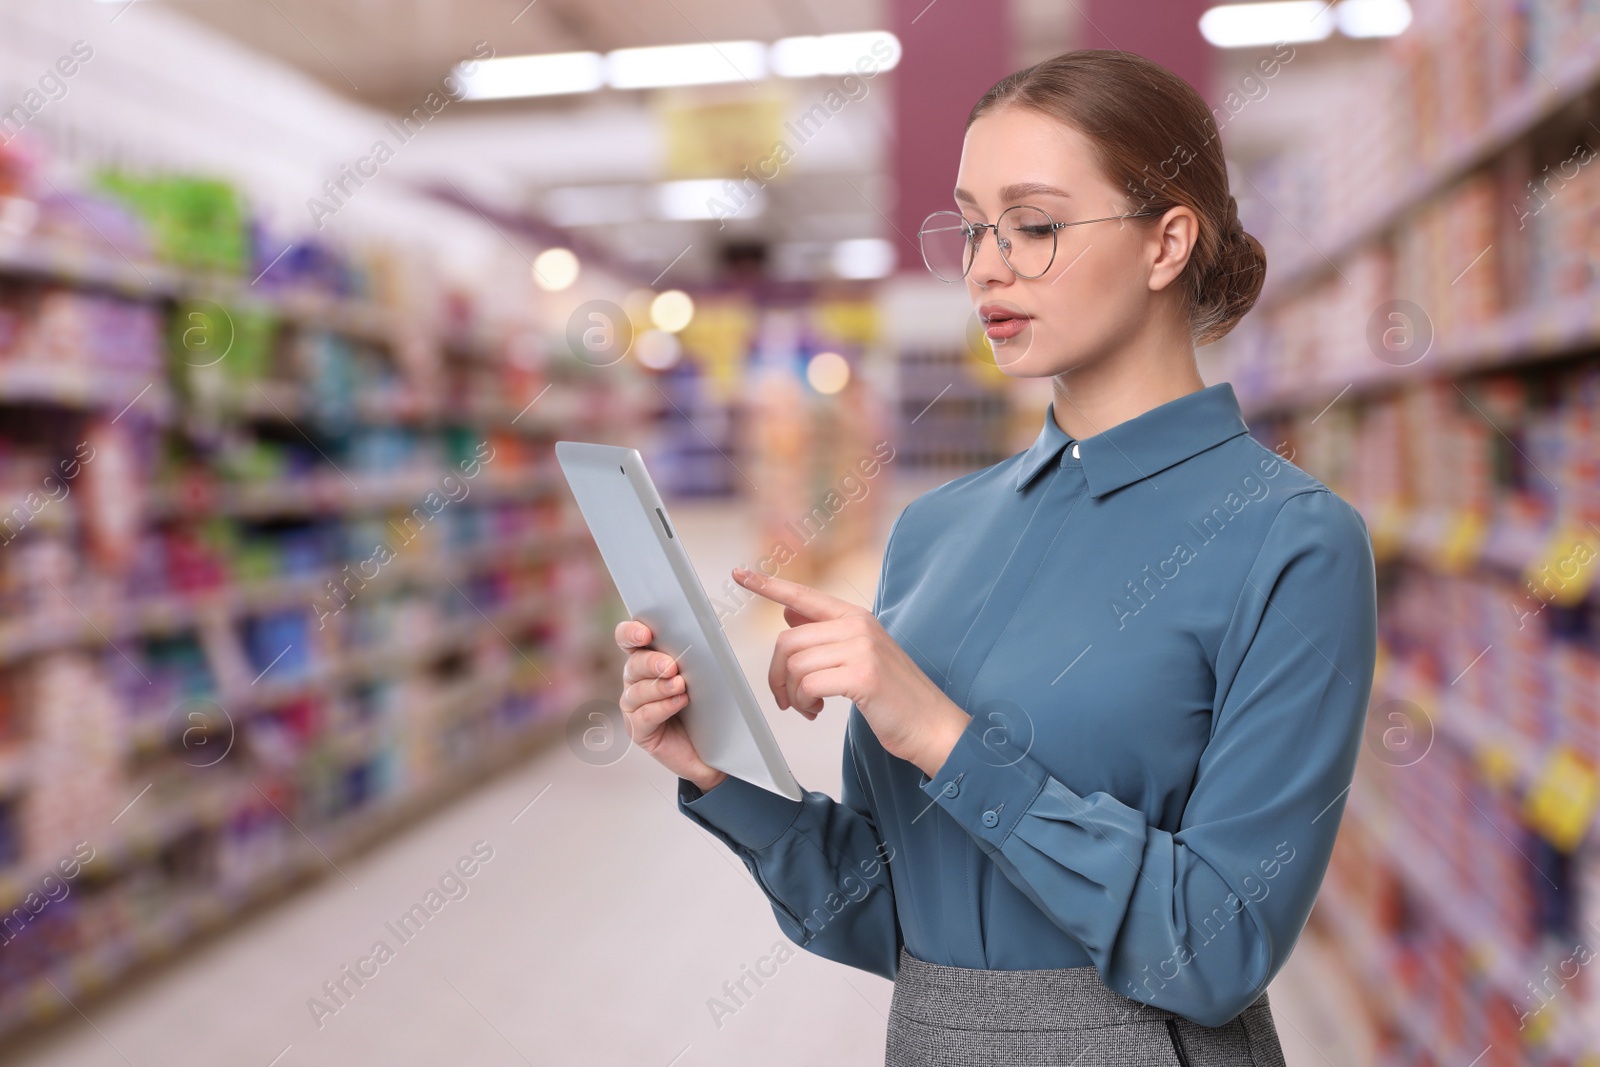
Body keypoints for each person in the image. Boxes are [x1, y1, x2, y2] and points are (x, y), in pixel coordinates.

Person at [615, 48, 1377, 1066]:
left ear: (1167, 243)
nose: (984, 265)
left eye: (1034, 225)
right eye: (973, 226)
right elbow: (891, 916)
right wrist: (722, 772)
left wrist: (938, 730)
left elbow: (1217, 946)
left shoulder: (1293, 539)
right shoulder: (935, 530)